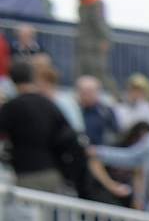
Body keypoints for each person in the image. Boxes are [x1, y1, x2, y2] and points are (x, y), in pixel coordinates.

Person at [0, 60, 90, 196]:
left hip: (26, 174)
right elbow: (70, 138)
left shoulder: (11, 107)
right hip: (52, 172)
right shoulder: (49, 104)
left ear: (12, 80)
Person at [69, 0, 110, 85]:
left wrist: (104, 39)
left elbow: (99, 22)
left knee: (98, 73)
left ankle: (114, 94)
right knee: (83, 73)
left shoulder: (93, 0)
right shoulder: (82, 0)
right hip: (85, 43)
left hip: (94, 44)